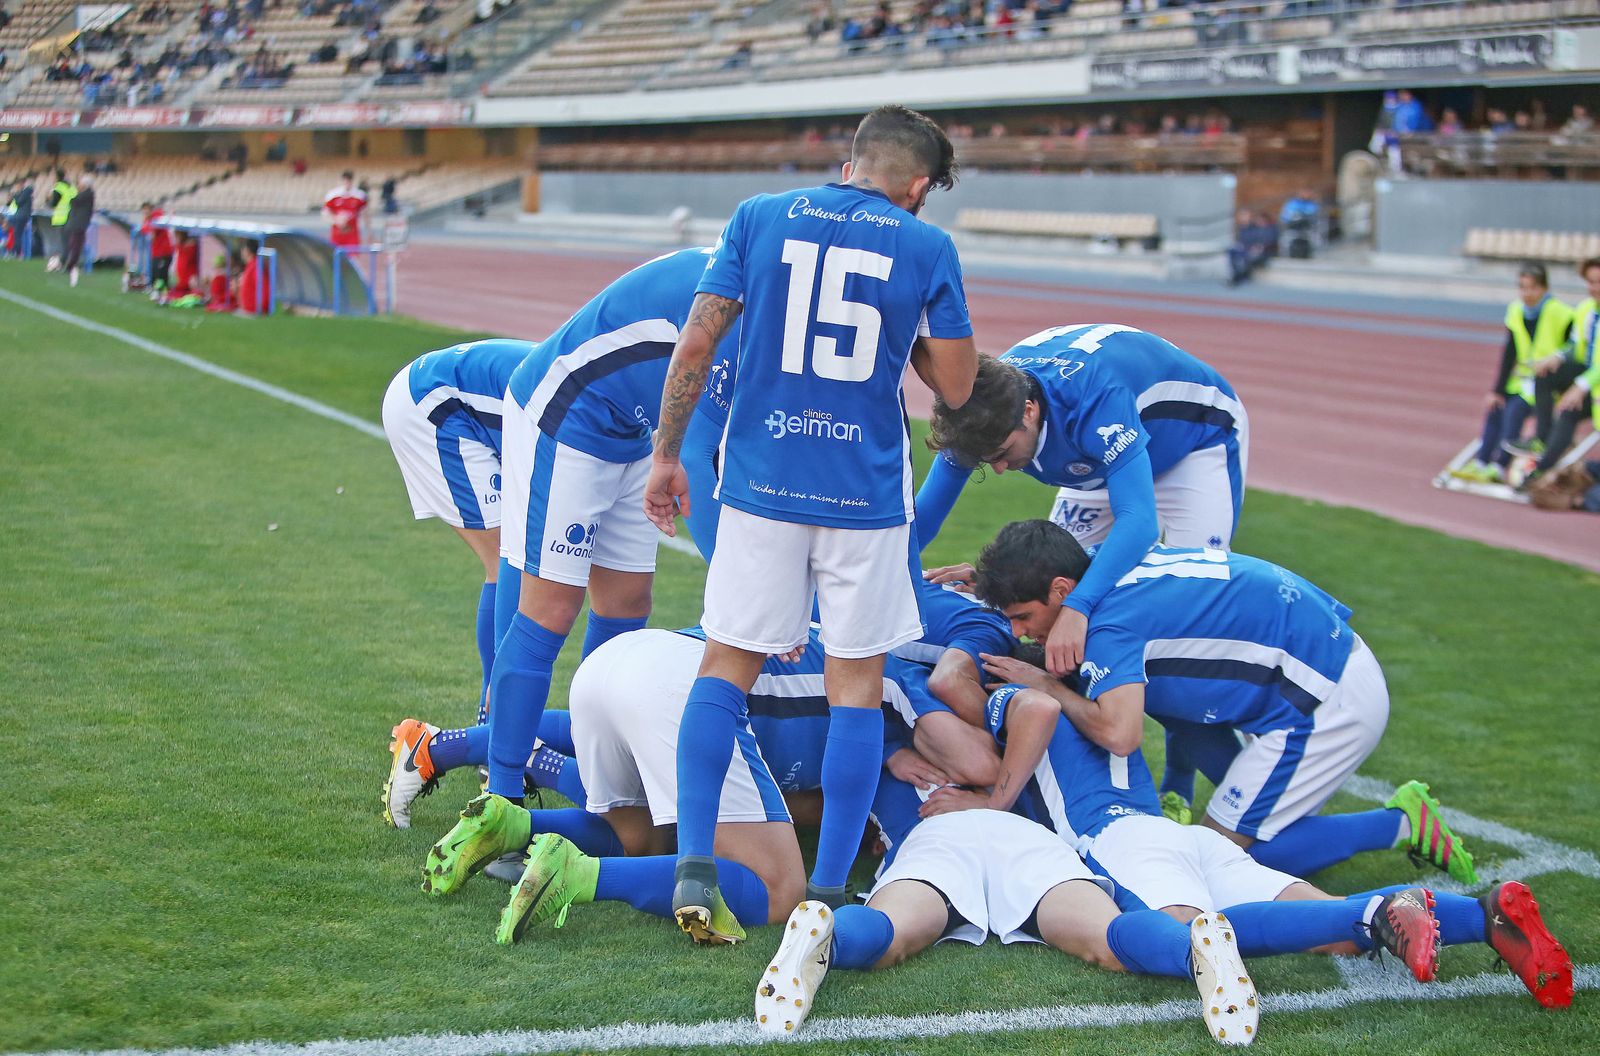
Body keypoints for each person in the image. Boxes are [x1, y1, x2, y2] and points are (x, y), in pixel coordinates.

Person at [641, 104, 979, 940]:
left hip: (760, 481)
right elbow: (962, 388)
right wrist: (906, 329)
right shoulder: (925, 245)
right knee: (857, 685)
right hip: (861, 496)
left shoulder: (758, 216)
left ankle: (692, 865)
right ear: (915, 183)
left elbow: (695, 348)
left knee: (725, 667)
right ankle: (827, 893)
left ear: (850, 159)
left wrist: (665, 455)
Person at [914, 675, 1573, 1008]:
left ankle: (1376, 909)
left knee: (1197, 936)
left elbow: (1003, 706)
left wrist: (986, 779)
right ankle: (1482, 917)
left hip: (1122, 844)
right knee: (1328, 927)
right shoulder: (1102, 689)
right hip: (1178, 836)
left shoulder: (1017, 693)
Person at [971, 520, 1479, 884]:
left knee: (1218, 863)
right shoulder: (1101, 559)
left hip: (1323, 704)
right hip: (1312, 664)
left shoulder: (1108, 626)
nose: (1022, 633)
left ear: (1062, 590)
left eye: (1022, 617)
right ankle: (1235, 808)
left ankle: (1403, 823)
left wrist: (1051, 687)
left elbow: (1120, 735)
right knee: (1161, 696)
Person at [470, 246, 742, 879]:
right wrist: (748, 586)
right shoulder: (739, 295)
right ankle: (500, 803)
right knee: (551, 609)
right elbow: (700, 460)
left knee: (625, 608)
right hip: (569, 412)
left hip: (636, 430)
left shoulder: (780, 297)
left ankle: (603, 790)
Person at [413, 626, 946, 932]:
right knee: (780, 889)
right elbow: (971, 758)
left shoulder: (847, 639)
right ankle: (577, 874)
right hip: (681, 685)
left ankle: (513, 825)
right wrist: (988, 788)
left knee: (643, 838)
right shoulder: (901, 681)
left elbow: (801, 804)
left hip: (617, 663)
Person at [919, 325, 1247, 681]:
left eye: (1002, 453)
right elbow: (924, 517)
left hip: (1193, 444)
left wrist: (1080, 606)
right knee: (1050, 590)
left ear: (1029, 411)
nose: (998, 469)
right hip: (1098, 459)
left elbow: (1138, 522)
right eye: (986, 461)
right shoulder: (974, 412)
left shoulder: (1094, 401)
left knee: (1190, 602)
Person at [378, 339, 533, 783]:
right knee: (510, 562)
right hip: (437, 409)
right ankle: (494, 724)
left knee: (516, 562)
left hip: (455, 404)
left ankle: (495, 723)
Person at [1451, 263, 1575, 484]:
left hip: (1548, 385)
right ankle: (1481, 461)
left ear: (1544, 288)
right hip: (1522, 382)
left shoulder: (1562, 313)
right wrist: (1497, 390)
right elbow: (1510, 353)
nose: (1526, 294)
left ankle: (1499, 466)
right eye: (1522, 288)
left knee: (1514, 411)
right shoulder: (1516, 311)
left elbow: (1572, 350)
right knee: (1496, 408)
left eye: (1532, 288)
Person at [1510, 256, 1599, 478]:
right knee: (1547, 377)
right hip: (1589, 380)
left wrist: (1581, 385)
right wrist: (1556, 357)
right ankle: (1541, 451)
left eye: (1598, 282)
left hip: (1593, 385)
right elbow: (1575, 344)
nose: (1593, 288)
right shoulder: (1586, 309)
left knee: (1569, 407)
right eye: (1590, 281)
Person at [61, 173, 95, 287]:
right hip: (78, 222)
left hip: (79, 223)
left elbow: (73, 200)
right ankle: (71, 264)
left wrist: (73, 189)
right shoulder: (87, 194)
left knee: (76, 244)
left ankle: (71, 265)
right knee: (74, 243)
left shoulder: (87, 194)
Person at [323, 170, 367, 248]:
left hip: (352, 232)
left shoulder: (359, 195)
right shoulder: (333, 194)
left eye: (349, 180)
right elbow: (325, 213)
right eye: (345, 180)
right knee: (336, 256)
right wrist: (336, 220)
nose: (347, 182)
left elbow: (365, 213)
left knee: (352, 256)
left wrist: (369, 231)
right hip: (337, 233)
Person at [44, 168, 75, 272]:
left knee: (62, 243)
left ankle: (61, 264)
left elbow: (53, 204)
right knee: (68, 243)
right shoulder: (71, 186)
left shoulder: (58, 187)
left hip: (62, 218)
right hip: (72, 216)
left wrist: (47, 201)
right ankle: (68, 263)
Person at [140, 201, 173, 292]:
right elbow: (145, 231)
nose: (145, 213)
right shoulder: (150, 220)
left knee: (161, 274)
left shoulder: (157, 217)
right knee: (156, 273)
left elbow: (152, 234)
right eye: (144, 211)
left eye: (146, 210)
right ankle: (158, 290)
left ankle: (162, 291)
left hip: (164, 252)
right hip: (157, 252)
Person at [236, 240, 272, 315]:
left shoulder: (257, 266)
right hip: (249, 309)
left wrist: (262, 308)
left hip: (255, 311)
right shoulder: (251, 266)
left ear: (247, 251)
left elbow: (265, 288)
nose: (241, 253)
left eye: (243, 250)